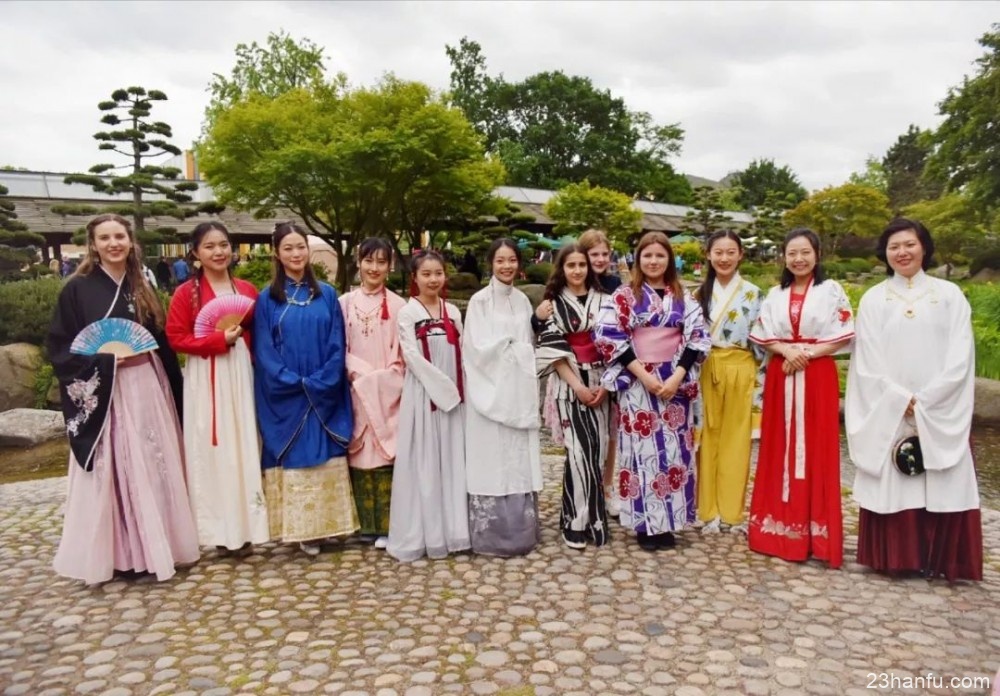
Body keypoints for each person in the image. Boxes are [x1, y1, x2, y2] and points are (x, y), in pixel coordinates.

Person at [47, 214, 199, 583]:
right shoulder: (77, 288)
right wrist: (104, 359)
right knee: (112, 467)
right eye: (105, 238)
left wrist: (176, 390)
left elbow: (158, 339)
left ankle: (157, 545)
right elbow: (61, 345)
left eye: (120, 236)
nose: (114, 243)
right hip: (106, 390)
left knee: (150, 462)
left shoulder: (140, 284)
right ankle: (120, 554)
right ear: (93, 244)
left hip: (145, 384)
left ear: (131, 241)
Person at [846, 218, 982, 581]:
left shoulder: (949, 295)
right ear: (885, 252)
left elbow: (961, 356)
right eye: (894, 246)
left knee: (943, 475)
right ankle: (895, 557)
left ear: (924, 246)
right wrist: (897, 398)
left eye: (909, 244)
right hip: (891, 407)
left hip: (938, 407)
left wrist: (928, 399)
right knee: (896, 478)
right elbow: (867, 360)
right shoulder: (875, 298)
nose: (902, 252)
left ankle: (943, 560)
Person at [594, 232, 710, 551]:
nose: (654, 261)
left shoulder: (684, 297)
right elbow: (609, 337)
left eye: (660, 256)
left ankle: (670, 522)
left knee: (674, 452)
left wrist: (677, 376)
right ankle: (645, 524)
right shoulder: (623, 295)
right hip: (637, 381)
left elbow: (697, 337)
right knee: (642, 453)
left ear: (669, 259)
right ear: (637, 259)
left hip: (674, 381)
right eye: (647, 256)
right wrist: (643, 375)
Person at [748, 228, 854, 569]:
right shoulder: (775, 293)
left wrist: (805, 353)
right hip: (784, 372)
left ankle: (816, 535)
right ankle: (777, 530)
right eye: (792, 253)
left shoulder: (831, 290)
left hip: (816, 372)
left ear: (817, 254)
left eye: (805, 252)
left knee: (817, 447)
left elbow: (842, 335)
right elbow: (764, 333)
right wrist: (786, 350)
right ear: (784, 257)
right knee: (779, 447)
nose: (798, 258)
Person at [253, 221, 358, 556]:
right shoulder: (267, 299)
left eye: (301, 247)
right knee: (298, 456)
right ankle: (303, 531)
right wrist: (291, 381)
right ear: (276, 253)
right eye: (288, 248)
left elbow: (336, 342)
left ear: (308, 250)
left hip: (324, 389)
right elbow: (264, 350)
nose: (296, 254)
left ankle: (330, 526)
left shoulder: (327, 294)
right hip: (288, 393)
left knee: (325, 453)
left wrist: (324, 379)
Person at [166, 222, 270, 556]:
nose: (219, 252)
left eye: (224, 244)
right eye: (209, 246)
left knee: (245, 443)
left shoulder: (247, 290)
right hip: (207, 373)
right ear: (195, 253)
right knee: (216, 449)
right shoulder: (186, 294)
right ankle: (221, 531)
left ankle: (249, 527)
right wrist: (216, 340)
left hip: (241, 371)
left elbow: (260, 333)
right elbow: (176, 337)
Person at [387, 251, 470, 561]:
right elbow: (411, 356)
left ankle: (455, 532)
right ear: (415, 278)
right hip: (425, 396)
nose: (433, 279)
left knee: (451, 459)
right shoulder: (408, 314)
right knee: (424, 460)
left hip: (454, 395)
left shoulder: (453, 312)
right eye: (426, 274)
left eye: (438, 273)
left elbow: (463, 350)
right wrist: (444, 390)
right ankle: (426, 533)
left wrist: (459, 390)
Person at [463, 238, 543, 557]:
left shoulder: (523, 301)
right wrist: (513, 349)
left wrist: (519, 349)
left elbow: (529, 342)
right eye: (500, 261)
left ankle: (521, 533)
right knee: (492, 458)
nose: (506, 266)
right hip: (490, 391)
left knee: (517, 459)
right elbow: (476, 350)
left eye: (511, 260)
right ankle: (492, 536)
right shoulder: (479, 302)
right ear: (490, 264)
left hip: (518, 391)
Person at [536, 244, 611, 549]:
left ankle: (594, 517)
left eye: (582, 264)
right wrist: (578, 385)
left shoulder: (606, 301)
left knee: (599, 451)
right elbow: (554, 351)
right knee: (578, 452)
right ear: (562, 269)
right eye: (571, 266)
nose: (578, 270)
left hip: (603, 380)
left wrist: (606, 384)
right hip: (569, 382)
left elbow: (615, 347)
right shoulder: (553, 303)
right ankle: (574, 521)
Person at [693, 231, 763, 535]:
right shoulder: (697, 295)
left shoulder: (754, 293)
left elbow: (762, 343)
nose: (724, 258)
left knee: (737, 440)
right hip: (706, 366)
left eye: (730, 252)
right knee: (705, 438)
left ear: (740, 255)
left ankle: (732, 512)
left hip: (741, 367)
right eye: (718, 252)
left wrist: (761, 382)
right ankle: (705, 509)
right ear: (708, 255)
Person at [339, 238, 407, 549]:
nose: (374, 268)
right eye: (369, 261)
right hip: (353, 387)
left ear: (390, 265)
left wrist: (380, 380)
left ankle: (387, 524)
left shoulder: (399, 306)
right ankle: (362, 523)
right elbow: (337, 346)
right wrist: (357, 373)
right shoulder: (344, 303)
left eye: (381, 262)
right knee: (359, 453)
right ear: (359, 262)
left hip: (386, 391)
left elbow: (402, 355)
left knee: (383, 453)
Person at [576, 228, 623, 516]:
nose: (601, 259)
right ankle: (585, 487)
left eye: (605, 254)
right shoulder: (574, 281)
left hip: (611, 362)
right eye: (594, 254)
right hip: (579, 365)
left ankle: (607, 486)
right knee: (584, 432)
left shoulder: (616, 285)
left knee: (611, 431)